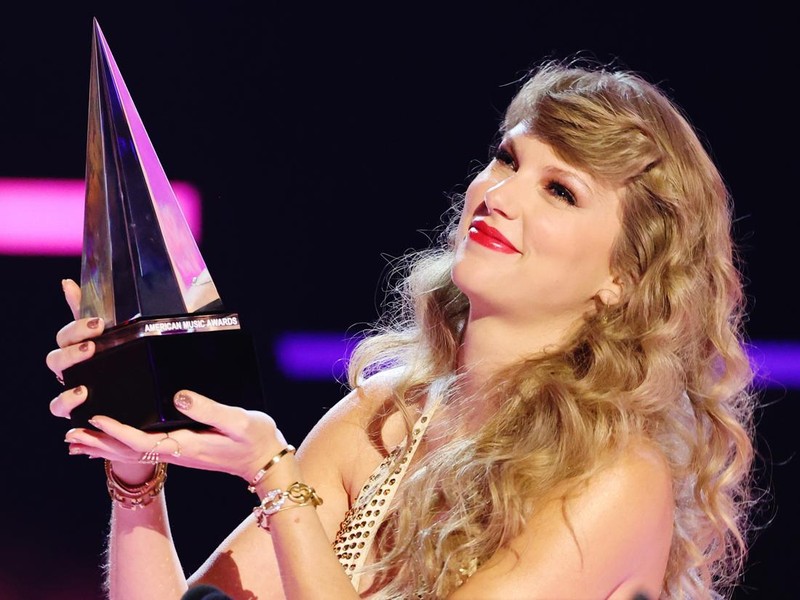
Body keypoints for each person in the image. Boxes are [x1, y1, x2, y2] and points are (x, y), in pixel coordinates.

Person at [47, 58, 758, 599]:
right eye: (508, 159)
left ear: (624, 279)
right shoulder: (386, 416)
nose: (499, 195)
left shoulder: (617, 477)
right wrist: (135, 470)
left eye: (560, 191)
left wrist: (276, 478)